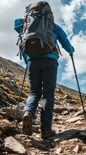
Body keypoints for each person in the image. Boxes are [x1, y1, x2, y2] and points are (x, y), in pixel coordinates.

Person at [14, 11, 74, 139]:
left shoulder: (27, 27)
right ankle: (46, 130)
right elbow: (64, 41)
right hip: (50, 61)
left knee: (34, 92)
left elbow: (20, 35)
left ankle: (28, 112)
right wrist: (71, 50)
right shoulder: (53, 26)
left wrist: (28, 61)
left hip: (32, 62)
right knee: (48, 95)